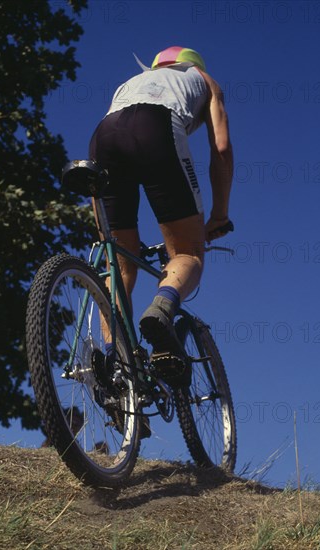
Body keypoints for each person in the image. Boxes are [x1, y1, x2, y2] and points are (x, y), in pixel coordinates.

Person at [89, 46, 234, 384]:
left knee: (119, 263)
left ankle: (117, 366)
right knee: (187, 253)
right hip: (155, 127)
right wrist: (219, 215)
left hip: (103, 136)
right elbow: (222, 149)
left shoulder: (132, 82)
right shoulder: (205, 81)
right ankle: (162, 309)